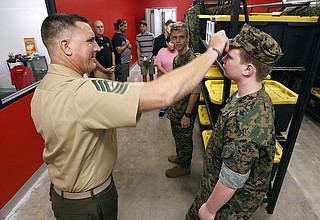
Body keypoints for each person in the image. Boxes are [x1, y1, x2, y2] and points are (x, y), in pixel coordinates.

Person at [31, 13, 228, 220]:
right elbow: (162, 93)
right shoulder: (83, 92)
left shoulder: (43, 89)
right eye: (90, 41)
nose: (97, 47)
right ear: (66, 46)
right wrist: (212, 51)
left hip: (64, 198)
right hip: (89, 202)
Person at [186, 23, 283, 220]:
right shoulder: (252, 96)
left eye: (229, 57)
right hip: (216, 188)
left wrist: (210, 210)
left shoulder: (246, 123)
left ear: (248, 69)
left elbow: (232, 180)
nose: (223, 59)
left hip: (227, 206)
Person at [165, 22, 199, 178]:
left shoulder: (192, 61)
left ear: (188, 38)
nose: (178, 41)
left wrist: (187, 114)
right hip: (176, 107)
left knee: (184, 138)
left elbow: (195, 91)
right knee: (177, 136)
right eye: (174, 38)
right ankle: (180, 157)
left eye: (181, 37)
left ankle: (185, 166)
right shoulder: (177, 58)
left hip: (185, 110)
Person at [154, 35, 178, 118]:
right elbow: (158, 65)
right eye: (171, 42)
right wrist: (167, 74)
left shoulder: (178, 52)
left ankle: (172, 109)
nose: (173, 45)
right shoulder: (161, 52)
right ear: (167, 43)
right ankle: (163, 109)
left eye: (174, 42)